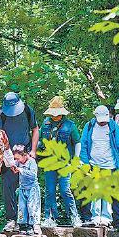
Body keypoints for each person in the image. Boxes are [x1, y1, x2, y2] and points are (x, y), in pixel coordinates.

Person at [0, 92, 39, 231]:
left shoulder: (27, 110)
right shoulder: (1, 113)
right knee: (8, 188)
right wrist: (5, 157)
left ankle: (31, 221)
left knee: (29, 188)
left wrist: (33, 150)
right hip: (9, 156)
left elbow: (35, 129)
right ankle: (12, 220)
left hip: (25, 155)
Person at [77, 105, 119, 228]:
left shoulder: (113, 126)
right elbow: (84, 145)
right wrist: (85, 164)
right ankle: (87, 218)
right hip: (93, 165)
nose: (103, 122)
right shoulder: (89, 126)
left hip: (111, 165)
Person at [38, 96, 81, 227]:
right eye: (52, 114)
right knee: (50, 191)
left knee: (65, 190)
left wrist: (76, 159)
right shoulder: (45, 124)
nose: (54, 116)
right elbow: (39, 140)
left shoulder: (70, 125)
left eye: (56, 114)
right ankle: (50, 218)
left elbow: (77, 142)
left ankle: (74, 217)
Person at [9, 144, 41, 234]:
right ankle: (23, 225)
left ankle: (34, 225)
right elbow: (12, 163)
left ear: (25, 155)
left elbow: (33, 175)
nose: (17, 160)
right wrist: (13, 167)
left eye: (18, 158)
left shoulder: (32, 162)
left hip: (32, 188)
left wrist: (21, 170)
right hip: (23, 188)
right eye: (15, 159)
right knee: (22, 207)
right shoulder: (18, 162)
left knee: (32, 206)